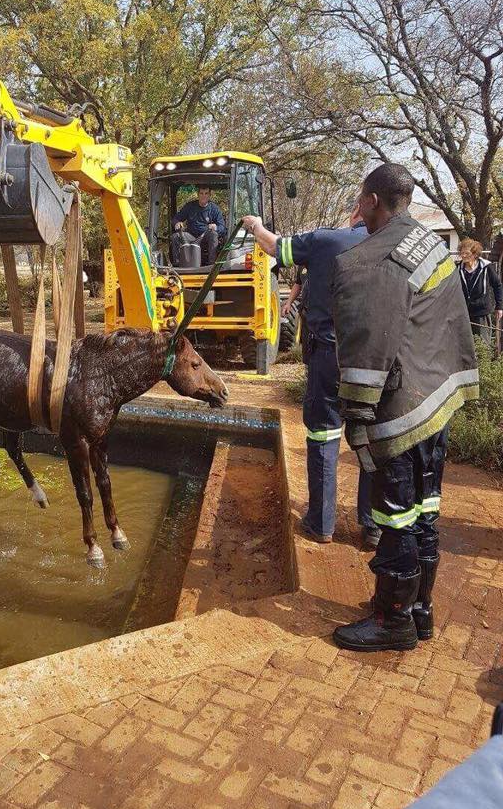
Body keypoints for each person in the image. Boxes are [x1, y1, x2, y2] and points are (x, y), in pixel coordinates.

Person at [330, 163, 478, 652]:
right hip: (438, 400)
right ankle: (420, 610)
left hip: (402, 413)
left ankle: (392, 620)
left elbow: (365, 351)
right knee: (425, 512)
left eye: (360, 199)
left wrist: (356, 418)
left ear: (372, 199)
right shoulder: (429, 242)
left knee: (395, 516)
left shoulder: (367, 262)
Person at [242, 205, 375, 546]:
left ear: (359, 208)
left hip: (330, 355)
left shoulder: (325, 241)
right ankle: (373, 527)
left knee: (324, 436)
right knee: (373, 439)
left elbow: (274, 247)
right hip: (378, 359)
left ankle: (321, 523)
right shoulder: (395, 245)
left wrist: (256, 226)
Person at [456, 238, 502, 348]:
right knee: (465, 345)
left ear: (474, 253)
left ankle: (483, 365)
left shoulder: (486, 267)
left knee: (482, 345)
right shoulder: (458, 269)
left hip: (481, 311)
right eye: (461, 253)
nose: (463, 256)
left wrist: (499, 306)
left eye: (466, 253)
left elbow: (498, 285)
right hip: (464, 312)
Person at [170, 185, 226, 266]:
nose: (204, 196)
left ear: (209, 195)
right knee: (175, 236)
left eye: (206, 193)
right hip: (191, 237)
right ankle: (177, 265)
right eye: (201, 193)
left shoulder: (214, 209)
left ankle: (211, 265)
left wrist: (216, 227)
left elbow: (223, 228)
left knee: (213, 234)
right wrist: (177, 223)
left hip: (205, 237)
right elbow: (175, 219)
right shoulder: (190, 206)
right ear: (198, 194)